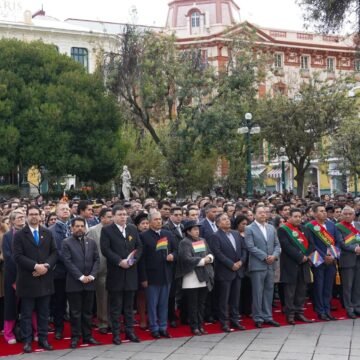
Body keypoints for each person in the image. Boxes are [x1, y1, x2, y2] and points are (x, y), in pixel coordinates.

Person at [13, 205, 57, 353]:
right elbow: (17, 256)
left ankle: (43, 339)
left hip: (45, 279)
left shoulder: (47, 233)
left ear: (40, 216)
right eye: (31, 214)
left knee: (44, 312)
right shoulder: (19, 235)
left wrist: (46, 266)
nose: (34, 216)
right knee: (26, 314)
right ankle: (27, 341)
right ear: (26, 216)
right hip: (27, 280)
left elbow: (55, 252)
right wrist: (35, 266)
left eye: (36, 214)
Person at [100, 205, 143, 345]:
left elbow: (139, 247)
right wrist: (119, 261)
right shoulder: (107, 230)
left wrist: (133, 260)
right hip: (116, 273)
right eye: (120, 214)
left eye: (125, 214)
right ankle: (117, 334)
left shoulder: (132, 229)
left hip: (131, 272)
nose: (123, 217)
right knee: (116, 307)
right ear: (113, 216)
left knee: (129, 307)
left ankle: (130, 332)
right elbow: (105, 249)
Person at [62, 217, 101, 349]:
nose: (79, 228)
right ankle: (75, 337)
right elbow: (67, 262)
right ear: (72, 228)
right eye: (77, 226)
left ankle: (88, 336)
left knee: (87, 312)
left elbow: (97, 260)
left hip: (89, 282)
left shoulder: (91, 242)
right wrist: (80, 277)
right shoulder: (66, 242)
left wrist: (91, 276)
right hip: (74, 283)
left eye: (82, 226)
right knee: (75, 312)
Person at [138, 211, 177, 339]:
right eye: (155, 219)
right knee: (152, 304)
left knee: (164, 304)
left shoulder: (168, 234)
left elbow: (177, 250)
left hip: (166, 275)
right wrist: (143, 278)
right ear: (149, 222)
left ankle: (163, 327)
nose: (159, 221)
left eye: (160, 219)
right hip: (151, 276)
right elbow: (141, 259)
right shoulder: (143, 236)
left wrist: (173, 255)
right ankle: (154, 327)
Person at [244, 206, 281, 328]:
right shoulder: (249, 228)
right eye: (260, 213)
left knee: (269, 291)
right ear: (254, 215)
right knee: (257, 292)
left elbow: (277, 244)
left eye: (265, 212)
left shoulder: (271, 228)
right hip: (258, 264)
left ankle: (268, 316)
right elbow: (250, 246)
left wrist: (274, 256)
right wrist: (265, 256)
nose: (263, 215)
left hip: (271, 264)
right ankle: (258, 317)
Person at [210, 213, 247, 332]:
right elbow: (218, 253)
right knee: (224, 299)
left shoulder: (236, 233)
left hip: (238, 270)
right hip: (225, 271)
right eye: (224, 219)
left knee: (235, 298)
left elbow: (244, 249)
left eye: (228, 219)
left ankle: (235, 320)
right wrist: (231, 264)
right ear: (218, 223)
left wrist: (241, 262)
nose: (227, 221)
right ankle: (224, 322)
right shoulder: (215, 236)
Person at [176, 220, 214, 335]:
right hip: (191, 278)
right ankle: (194, 326)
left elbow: (210, 253)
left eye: (198, 229)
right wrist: (203, 261)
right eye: (194, 229)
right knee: (193, 304)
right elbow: (186, 259)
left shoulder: (203, 240)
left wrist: (210, 258)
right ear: (188, 231)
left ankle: (200, 325)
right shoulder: (185, 242)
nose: (197, 231)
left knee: (201, 304)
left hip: (204, 276)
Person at [278, 208, 315, 324]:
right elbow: (286, 246)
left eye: (300, 216)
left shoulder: (305, 229)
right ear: (289, 217)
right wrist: (300, 256)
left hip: (304, 265)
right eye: (295, 216)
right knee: (290, 292)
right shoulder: (283, 230)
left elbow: (311, 244)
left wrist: (306, 255)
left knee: (301, 290)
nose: (298, 218)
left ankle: (299, 312)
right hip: (290, 264)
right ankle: (290, 315)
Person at [306, 203, 342, 321]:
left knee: (328, 287)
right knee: (319, 286)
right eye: (321, 211)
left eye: (324, 211)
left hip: (331, 259)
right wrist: (324, 256)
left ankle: (327, 310)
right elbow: (311, 244)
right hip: (318, 260)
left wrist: (332, 255)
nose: (324, 213)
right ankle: (320, 311)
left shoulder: (332, 225)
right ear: (315, 213)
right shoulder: (310, 226)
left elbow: (337, 241)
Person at [87, 207, 113, 334]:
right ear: (102, 218)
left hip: (115, 267)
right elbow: (89, 250)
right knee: (102, 297)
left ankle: (113, 321)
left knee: (114, 297)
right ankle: (103, 322)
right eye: (109, 216)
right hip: (100, 269)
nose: (111, 219)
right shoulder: (93, 231)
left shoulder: (115, 229)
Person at [48, 202, 71, 340]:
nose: (66, 211)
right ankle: (58, 329)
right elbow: (57, 251)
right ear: (56, 213)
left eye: (67, 209)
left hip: (76, 272)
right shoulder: (51, 231)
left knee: (75, 302)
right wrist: (71, 262)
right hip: (60, 272)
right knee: (59, 302)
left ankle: (77, 328)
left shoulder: (76, 226)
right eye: (62, 209)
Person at [2, 210, 26, 344]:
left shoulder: (28, 233)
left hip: (28, 275)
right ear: (12, 221)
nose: (22, 219)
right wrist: (17, 278)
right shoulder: (7, 236)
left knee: (29, 305)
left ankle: (30, 331)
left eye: (23, 217)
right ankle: (9, 333)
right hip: (12, 276)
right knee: (11, 305)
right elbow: (8, 257)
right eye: (18, 217)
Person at [336, 206, 360, 318]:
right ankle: (349, 308)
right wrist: (355, 249)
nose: (347, 216)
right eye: (345, 214)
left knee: (357, 285)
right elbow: (341, 243)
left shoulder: (358, 225)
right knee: (348, 286)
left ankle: (357, 306)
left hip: (358, 259)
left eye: (350, 214)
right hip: (347, 259)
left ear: (354, 215)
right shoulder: (339, 227)